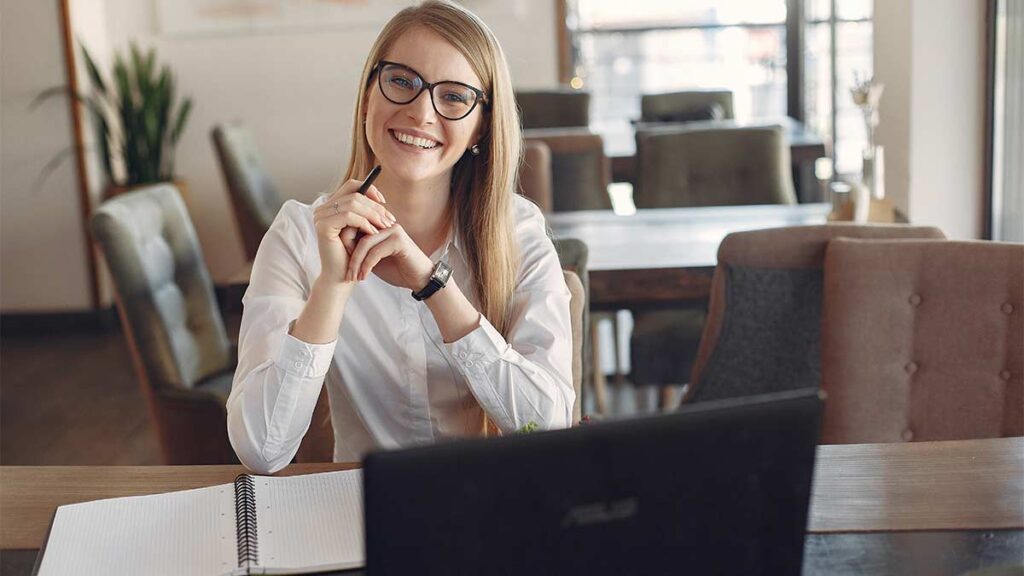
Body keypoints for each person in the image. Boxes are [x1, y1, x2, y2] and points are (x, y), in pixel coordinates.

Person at [227, 0, 574, 474]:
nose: (420, 112)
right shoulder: (299, 234)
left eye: (453, 96)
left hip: (491, 504)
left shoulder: (519, 232)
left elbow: (548, 430)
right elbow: (261, 451)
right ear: (368, 93)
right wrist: (333, 284)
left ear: (481, 127)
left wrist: (435, 286)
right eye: (402, 81)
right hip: (359, 511)